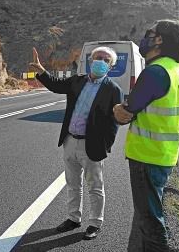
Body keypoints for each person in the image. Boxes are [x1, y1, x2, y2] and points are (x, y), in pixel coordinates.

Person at [113, 19, 179, 252]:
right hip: (162, 155)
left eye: (150, 35)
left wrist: (117, 110)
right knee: (151, 218)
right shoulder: (175, 69)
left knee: (151, 222)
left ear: (159, 41)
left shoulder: (155, 72)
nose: (145, 39)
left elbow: (126, 111)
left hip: (147, 157)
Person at [30, 46, 123, 240]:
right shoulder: (77, 81)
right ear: (90, 60)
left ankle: (95, 223)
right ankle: (73, 218)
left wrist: (105, 145)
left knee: (95, 187)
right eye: (98, 57)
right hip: (70, 140)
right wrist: (41, 71)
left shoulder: (113, 90)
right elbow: (56, 85)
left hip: (93, 145)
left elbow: (114, 123)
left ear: (111, 66)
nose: (101, 61)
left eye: (106, 60)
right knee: (72, 184)